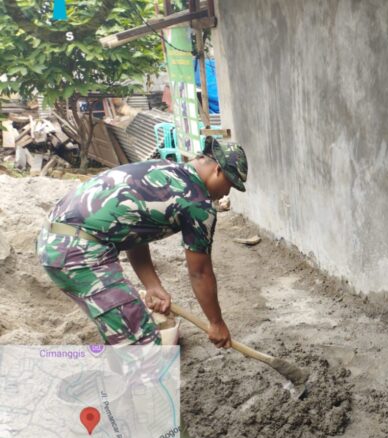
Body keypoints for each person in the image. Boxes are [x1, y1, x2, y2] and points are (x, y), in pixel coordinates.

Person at [37, 137, 249, 349]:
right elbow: (200, 272)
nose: (227, 193)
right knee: (141, 343)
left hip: (53, 241)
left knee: (122, 334)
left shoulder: (164, 169)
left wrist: (152, 285)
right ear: (218, 171)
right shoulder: (197, 203)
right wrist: (216, 323)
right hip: (80, 254)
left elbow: (135, 228)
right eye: (230, 183)